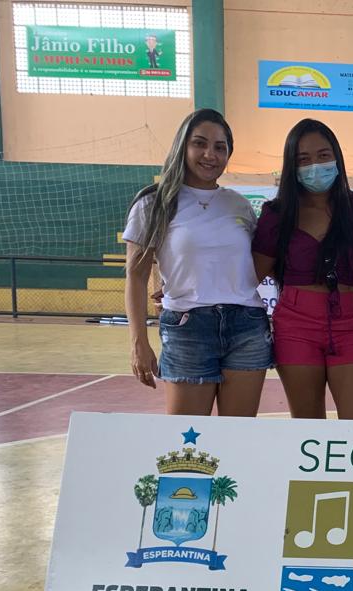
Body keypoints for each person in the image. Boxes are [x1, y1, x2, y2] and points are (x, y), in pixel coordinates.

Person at [123, 109, 272, 416]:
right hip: (187, 327)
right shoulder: (154, 202)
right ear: (182, 146)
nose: (210, 154)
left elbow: (251, 266)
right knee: (187, 441)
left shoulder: (239, 204)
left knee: (237, 438)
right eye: (199, 143)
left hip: (247, 328)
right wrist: (139, 342)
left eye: (220, 147)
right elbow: (135, 278)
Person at [252, 119, 353, 420]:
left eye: (323, 155)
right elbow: (247, 277)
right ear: (291, 167)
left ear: (336, 157)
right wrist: (191, 285)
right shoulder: (277, 215)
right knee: (307, 430)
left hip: (352, 324)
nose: (314, 166)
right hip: (296, 327)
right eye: (303, 160)